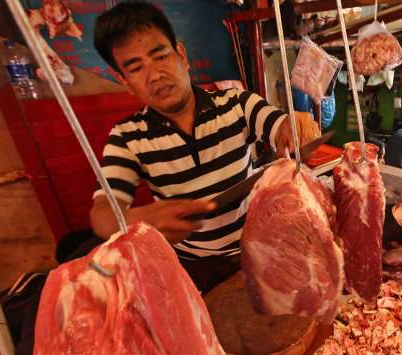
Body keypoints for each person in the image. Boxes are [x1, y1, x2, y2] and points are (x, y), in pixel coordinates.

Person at [89, 1, 319, 292]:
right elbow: (102, 214)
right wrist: (138, 218)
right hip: (191, 266)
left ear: (181, 55)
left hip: (258, 249)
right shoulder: (127, 137)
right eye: (136, 68)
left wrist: (294, 125)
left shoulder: (237, 104)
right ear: (126, 82)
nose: (155, 74)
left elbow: (277, 126)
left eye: (160, 56)